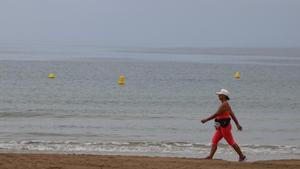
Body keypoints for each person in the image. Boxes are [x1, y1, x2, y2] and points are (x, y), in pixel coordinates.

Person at [201, 89, 246, 161]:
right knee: (214, 140)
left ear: (224, 96)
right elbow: (232, 114)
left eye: (220, 94)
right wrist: (237, 124)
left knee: (231, 141)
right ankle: (210, 156)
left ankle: (242, 156)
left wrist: (206, 120)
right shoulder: (225, 104)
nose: (218, 95)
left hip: (225, 126)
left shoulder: (224, 104)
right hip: (220, 126)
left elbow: (216, 114)